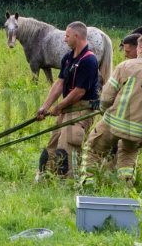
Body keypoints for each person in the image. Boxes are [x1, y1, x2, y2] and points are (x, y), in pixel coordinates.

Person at [83, 34, 142, 184]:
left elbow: (106, 97)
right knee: (128, 155)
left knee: (93, 148)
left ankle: (87, 184)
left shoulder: (125, 66)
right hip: (141, 130)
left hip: (114, 123)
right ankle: (126, 188)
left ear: (140, 48)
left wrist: (104, 110)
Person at [36, 21, 101, 179]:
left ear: (77, 36)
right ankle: (45, 177)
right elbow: (60, 83)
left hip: (81, 109)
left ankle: (69, 182)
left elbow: (79, 91)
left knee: (67, 145)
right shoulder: (68, 57)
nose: (64, 39)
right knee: (52, 145)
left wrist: (59, 106)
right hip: (67, 107)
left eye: (67, 36)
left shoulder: (89, 61)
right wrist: (45, 107)